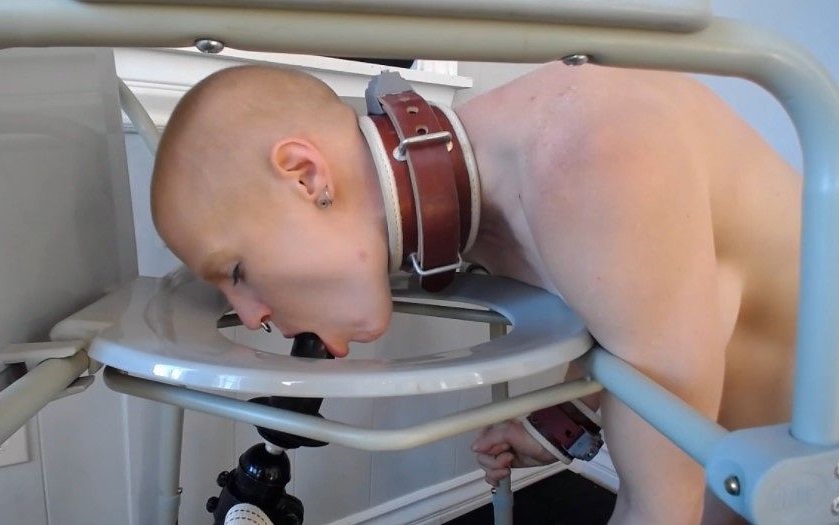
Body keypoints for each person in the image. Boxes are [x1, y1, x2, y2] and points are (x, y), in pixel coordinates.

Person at [150, 62, 801, 525]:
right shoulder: (502, 176)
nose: (251, 315)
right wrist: (557, 423)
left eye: (236, 271)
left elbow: (665, 509)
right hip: (752, 453)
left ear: (305, 176)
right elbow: (656, 334)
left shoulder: (588, 156)